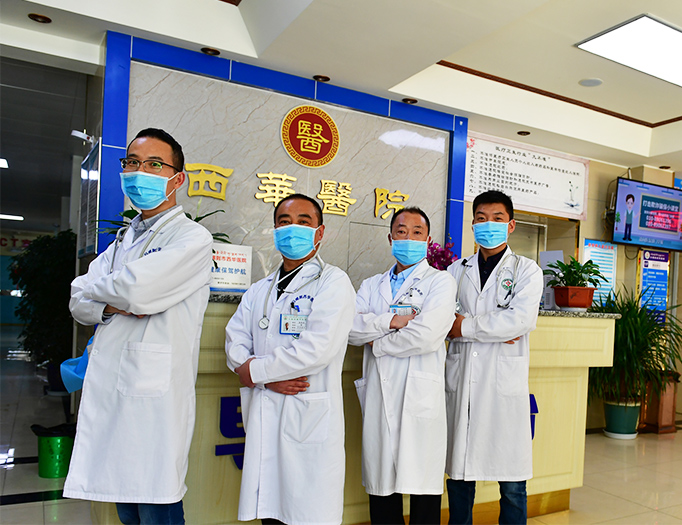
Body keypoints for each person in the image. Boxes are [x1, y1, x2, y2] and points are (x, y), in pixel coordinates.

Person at [65, 128, 214, 525]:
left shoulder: (192, 238)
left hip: (153, 397)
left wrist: (109, 294)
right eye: (132, 162)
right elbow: (78, 300)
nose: (138, 172)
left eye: (153, 164)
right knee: (127, 507)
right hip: (114, 390)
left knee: (155, 506)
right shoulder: (122, 240)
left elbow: (135, 290)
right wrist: (111, 304)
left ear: (177, 178)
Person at [225, 194, 356, 525]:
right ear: (275, 230)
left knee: (306, 511)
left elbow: (317, 349)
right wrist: (266, 379)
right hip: (266, 408)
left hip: (307, 414)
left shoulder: (334, 282)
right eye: (284, 222)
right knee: (271, 511)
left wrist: (256, 372)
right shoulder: (260, 289)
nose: (292, 228)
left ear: (320, 232)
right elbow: (234, 340)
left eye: (303, 221)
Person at [348, 207, 457, 525]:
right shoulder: (371, 285)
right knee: (382, 491)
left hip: (419, 397)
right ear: (390, 238)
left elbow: (427, 336)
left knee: (423, 491)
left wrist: (378, 342)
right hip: (380, 396)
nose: (408, 237)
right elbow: (350, 328)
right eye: (401, 231)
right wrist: (392, 321)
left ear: (428, 240)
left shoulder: (440, 282)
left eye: (417, 232)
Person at [444, 190, 543, 525]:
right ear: (472, 224)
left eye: (497, 218)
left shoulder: (527, 270)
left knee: (512, 482)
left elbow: (520, 321)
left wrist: (465, 326)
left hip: (503, 388)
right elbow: (443, 320)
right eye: (481, 218)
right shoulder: (455, 271)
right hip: (462, 381)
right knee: (459, 475)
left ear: (511, 225)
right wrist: (493, 328)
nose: (489, 224)